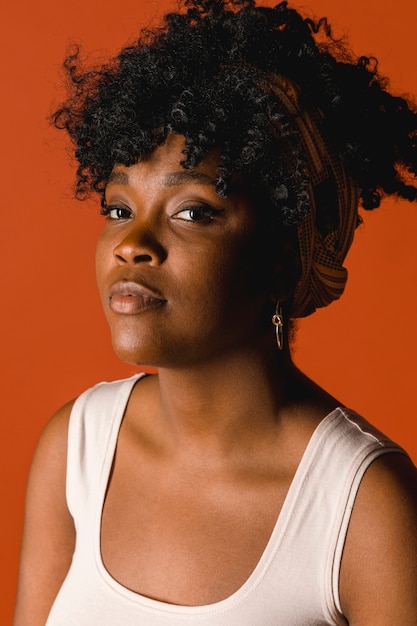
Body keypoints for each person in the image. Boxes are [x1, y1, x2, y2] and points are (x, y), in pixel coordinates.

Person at [13, 0, 417, 624]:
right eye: (119, 208)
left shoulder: (362, 504)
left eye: (192, 211)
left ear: (284, 256)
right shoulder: (77, 446)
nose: (131, 243)